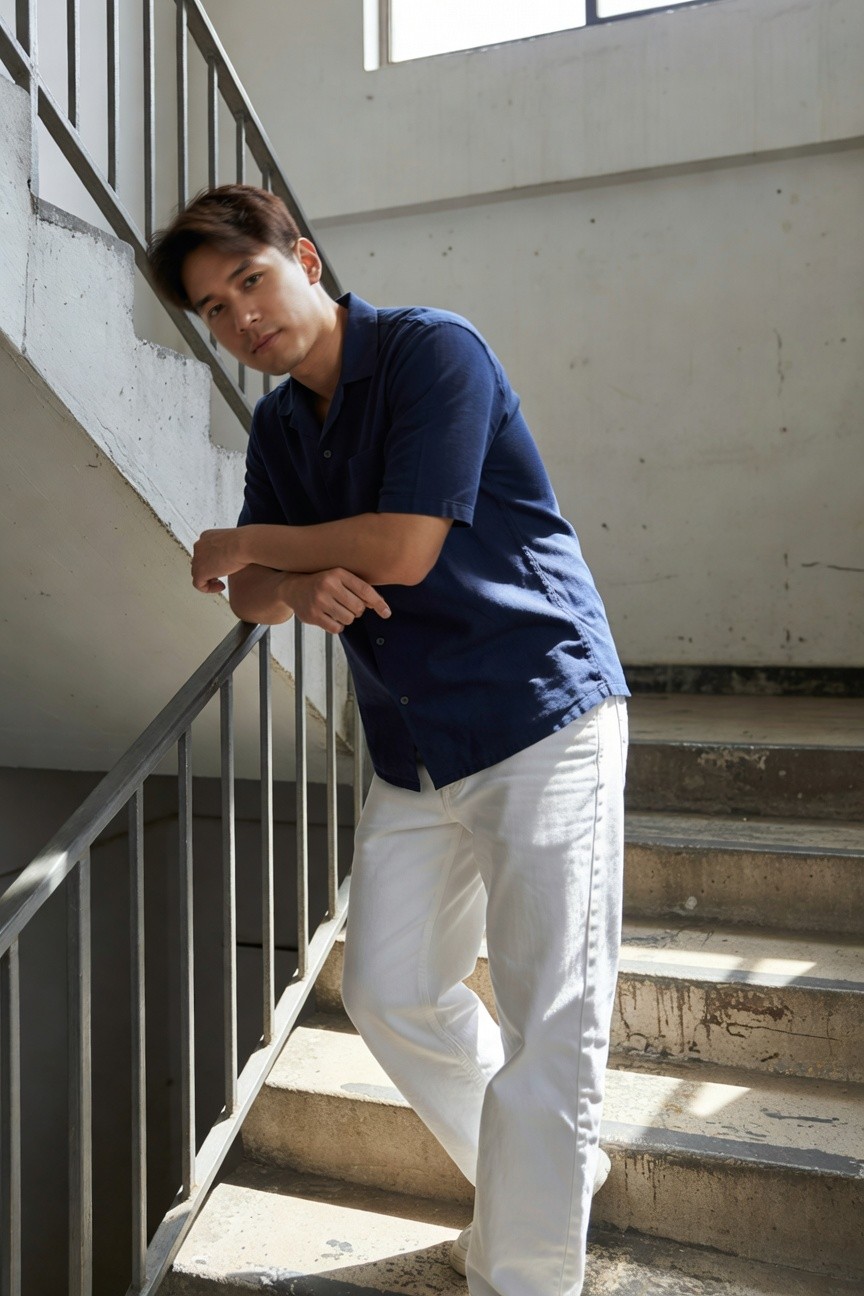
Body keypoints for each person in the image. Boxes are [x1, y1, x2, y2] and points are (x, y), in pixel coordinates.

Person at [148, 184, 629, 1296]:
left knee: (553, 1009)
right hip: (413, 743)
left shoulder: (432, 353)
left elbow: (405, 546)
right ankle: (554, 1174)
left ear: (303, 259)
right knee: (391, 988)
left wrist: (251, 541)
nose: (240, 321)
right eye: (214, 312)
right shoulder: (278, 425)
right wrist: (290, 576)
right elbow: (248, 600)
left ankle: (526, 1271)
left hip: (535, 708)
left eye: (250, 283)